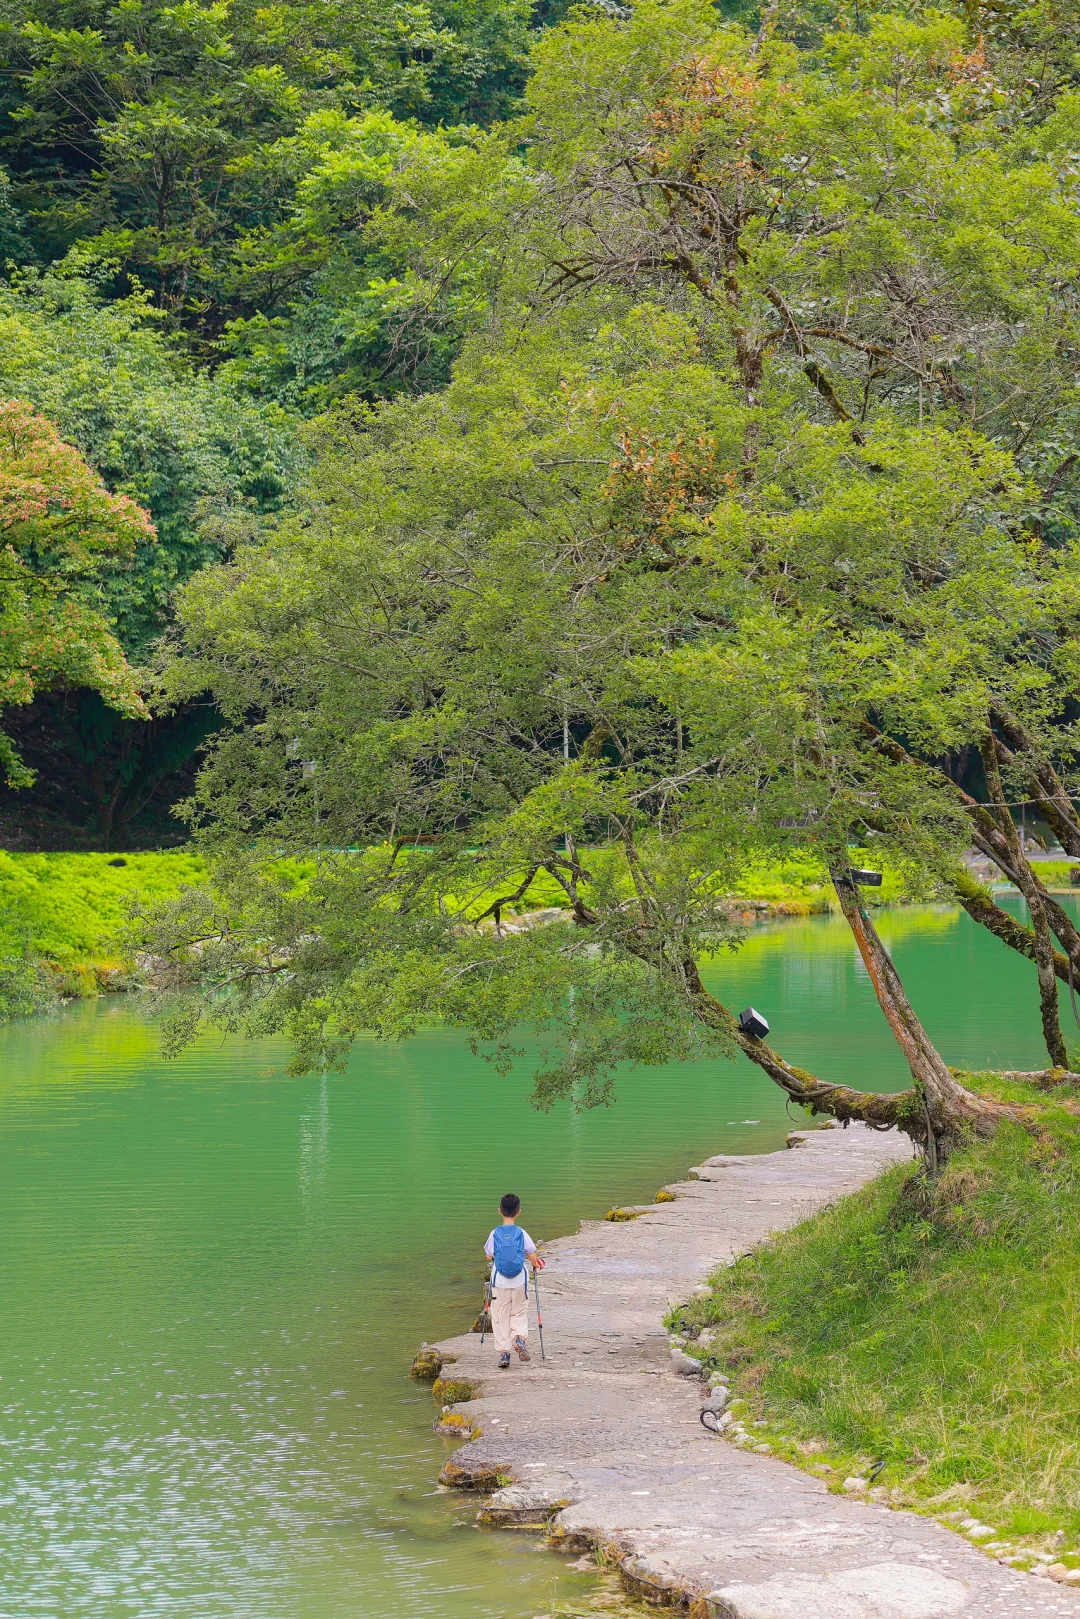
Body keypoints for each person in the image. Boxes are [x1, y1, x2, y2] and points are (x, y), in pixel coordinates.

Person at [484, 1193, 544, 1369]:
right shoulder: (521, 1233)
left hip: (500, 1282)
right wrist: (535, 1266)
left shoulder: (494, 1233)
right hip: (519, 1280)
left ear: (499, 1211)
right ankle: (518, 1338)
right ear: (518, 1212)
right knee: (518, 1312)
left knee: (500, 1315)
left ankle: (504, 1354)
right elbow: (531, 1254)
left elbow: (488, 1256)